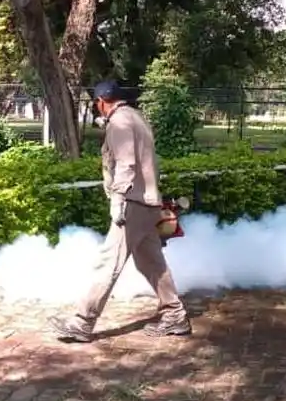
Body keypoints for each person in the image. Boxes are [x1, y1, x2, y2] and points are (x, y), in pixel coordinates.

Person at [51, 80, 192, 343]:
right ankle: (175, 316)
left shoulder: (119, 123)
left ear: (103, 101)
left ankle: (82, 322)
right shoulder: (137, 118)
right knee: (152, 263)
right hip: (149, 201)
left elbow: (126, 163)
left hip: (132, 203)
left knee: (108, 263)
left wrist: (117, 200)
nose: (97, 108)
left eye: (97, 104)